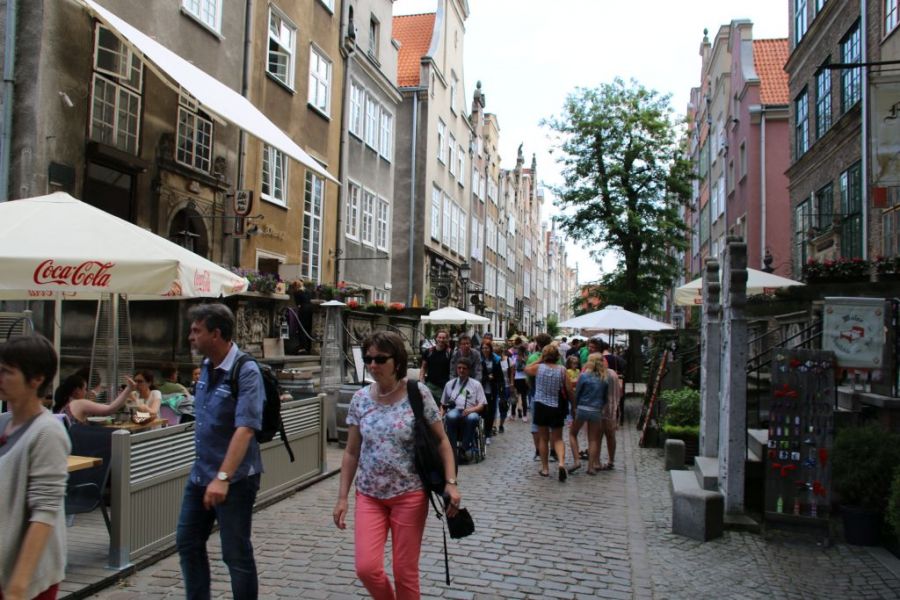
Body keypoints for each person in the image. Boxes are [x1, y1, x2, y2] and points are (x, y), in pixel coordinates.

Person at [333, 331, 460, 600]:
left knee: (404, 572)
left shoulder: (417, 393)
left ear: (397, 361)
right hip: (369, 495)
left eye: (380, 359)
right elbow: (351, 452)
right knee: (366, 569)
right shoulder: (360, 399)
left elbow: (442, 441)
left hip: (409, 495)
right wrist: (342, 497)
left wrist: (451, 483)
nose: (373, 365)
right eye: (369, 358)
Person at [176, 303, 265, 600]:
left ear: (215, 334)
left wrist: (223, 477)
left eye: (196, 330)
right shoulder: (205, 366)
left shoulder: (246, 370)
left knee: (235, 553)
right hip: (201, 474)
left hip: (235, 479)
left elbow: (246, 428)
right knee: (188, 542)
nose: (191, 336)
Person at [0, 335, 70, 600]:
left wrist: (18, 586)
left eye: (7, 371)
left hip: (23, 580)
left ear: (36, 379)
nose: (0, 377)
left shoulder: (47, 432)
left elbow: (45, 512)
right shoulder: (5, 422)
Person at [524, 344, 571, 481]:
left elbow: (526, 369)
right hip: (556, 406)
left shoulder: (539, 368)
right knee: (558, 438)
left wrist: (539, 360)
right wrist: (573, 405)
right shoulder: (562, 370)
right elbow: (569, 390)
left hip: (541, 405)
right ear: (557, 356)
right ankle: (561, 463)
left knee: (543, 438)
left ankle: (545, 468)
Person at [568, 355, 616, 474]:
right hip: (596, 410)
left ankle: (577, 461)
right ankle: (591, 467)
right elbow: (605, 398)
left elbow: (577, 393)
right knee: (593, 439)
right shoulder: (604, 378)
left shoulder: (584, 376)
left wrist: (574, 407)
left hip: (582, 408)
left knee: (573, 433)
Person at [441, 357, 487, 463]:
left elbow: (482, 405)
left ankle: (464, 448)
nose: (461, 370)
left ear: (469, 370)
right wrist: (440, 415)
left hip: (471, 410)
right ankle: (452, 450)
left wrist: (471, 410)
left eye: (464, 368)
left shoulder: (476, 384)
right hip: (455, 409)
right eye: (459, 368)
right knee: (450, 416)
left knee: (472, 418)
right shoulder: (450, 384)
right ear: (456, 369)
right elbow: (443, 404)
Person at [52, 372, 135, 425]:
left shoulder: (64, 404)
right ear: (77, 390)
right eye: (85, 389)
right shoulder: (79, 403)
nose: (86, 392)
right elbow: (110, 409)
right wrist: (128, 389)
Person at [478, 341, 503, 443]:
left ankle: (488, 433)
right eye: (483, 348)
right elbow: (477, 375)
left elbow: (500, 376)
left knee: (491, 412)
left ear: (490, 349)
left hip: (492, 390)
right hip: (481, 389)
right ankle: (481, 432)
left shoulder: (496, 360)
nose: (485, 350)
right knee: (482, 412)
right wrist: (486, 377)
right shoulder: (479, 359)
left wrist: (501, 390)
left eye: (487, 348)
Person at [418, 329, 452, 399]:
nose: (441, 340)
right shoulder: (428, 352)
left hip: (444, 386)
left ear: (447, 339)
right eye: (439, 337)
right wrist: (421, 381)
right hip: (430, 384)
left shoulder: (450, 353)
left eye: (444, 338)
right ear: (436, 338)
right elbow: (423, 367)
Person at [513, 344, 529, 421]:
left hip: (520, 379)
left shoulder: (522, 359)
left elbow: (518, 368)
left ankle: (519, 414)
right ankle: (522, 414)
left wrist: (521, 361)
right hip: (521, 379)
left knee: (520, 396)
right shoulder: (522, 358)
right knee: (521, 396)